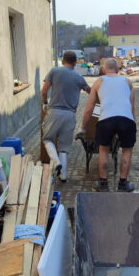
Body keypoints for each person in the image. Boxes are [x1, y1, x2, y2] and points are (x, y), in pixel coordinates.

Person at [78, 58, 137, 192]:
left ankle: (103, 184)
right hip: (126, 120)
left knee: (103, 150)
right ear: (118, 69)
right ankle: (123, 184)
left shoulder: (99, 82)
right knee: (127, 150)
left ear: (104, 70)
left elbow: (89, 109)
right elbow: (132, 108)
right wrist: (133, 124)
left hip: (106, 119)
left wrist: (82, 127)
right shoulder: (128, 82)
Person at [41, 51, 90, 182]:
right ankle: (63, 176)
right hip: (70, 115)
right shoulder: (79, 77)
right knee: (64, 148)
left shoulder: (54, 71)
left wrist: (45, 103)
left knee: (47, 139)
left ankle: (56, 162)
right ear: (75, 63)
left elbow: (44, 90)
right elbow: (91, 92)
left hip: (54, 112)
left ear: (63, 61)